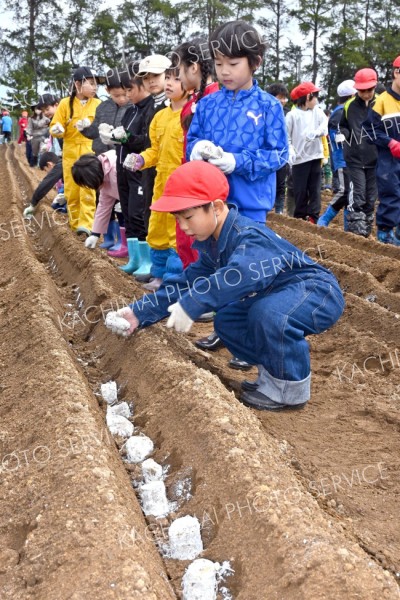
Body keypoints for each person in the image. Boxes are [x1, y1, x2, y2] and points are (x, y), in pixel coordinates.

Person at [105, 161, 345, 412]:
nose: (184, 227)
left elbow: (240, 274)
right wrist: (138, 313)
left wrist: (192, 304)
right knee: (228, 321)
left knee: (270, 314)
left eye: (188, 217)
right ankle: (272, 376)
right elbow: (186, 283)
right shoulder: (214, 245)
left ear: (216, 207)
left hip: (316, 291)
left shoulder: (248, 235)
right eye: (178, 219)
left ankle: (290, 390)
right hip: (280, 294)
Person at [186, 20, 289, 368]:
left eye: (234, 64)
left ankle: (249, 341)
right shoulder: (209, 103)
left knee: (248, 272)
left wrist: (237, 161)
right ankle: (225, 329)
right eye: (218, 64)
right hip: (212, 205)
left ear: (255, 62)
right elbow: (191, 140)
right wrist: (197, 148)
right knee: (219, 267)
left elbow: (278, 154)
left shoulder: (268, 107)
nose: (225, 71)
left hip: (249, 203)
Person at [123, 64, 188, 291]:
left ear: (189, 84)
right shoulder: (159, 116)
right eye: (167, 78)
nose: (169, 83)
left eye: (175, 79)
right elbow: (154, 150)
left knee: (176, 233)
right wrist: (140, 159)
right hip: (161, 184)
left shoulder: (191, 114)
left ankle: (173, 281)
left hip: (183, 185)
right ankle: (159, 275)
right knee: (157, 228)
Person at [174, 38, 219, 269]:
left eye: (179, 69)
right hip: (190, 180)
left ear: (194, 67)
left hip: (200, 185)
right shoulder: (197, 98)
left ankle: (199, 297)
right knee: (187, 240)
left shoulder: (212, 99)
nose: (178, 77)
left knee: (197, 244)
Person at [49, 66, 103, 235]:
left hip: (89, 151)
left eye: (96, 85)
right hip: (70, 151)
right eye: (91, 83)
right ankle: (74, 224)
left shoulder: (98, 104)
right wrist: (57, 129)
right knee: (72, 190)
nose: (95, 88)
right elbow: (55, 124)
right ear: (78, 84)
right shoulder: (66, 104)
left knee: (87, 188)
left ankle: (86, 225)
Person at [363, 57, 400, 245]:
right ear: (396, 73)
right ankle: (384, 236)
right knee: (391, 194)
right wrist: (390, 142)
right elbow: (369, 130)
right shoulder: (382, 101)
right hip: (390, 161)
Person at [338, 68, 378, 237]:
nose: (366, 94)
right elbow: (343, 125)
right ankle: (356, 233)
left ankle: (366, 231)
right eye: (362, 91)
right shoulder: (349, 106)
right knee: (358, 194)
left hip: (375, 158)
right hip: (355, 157)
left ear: (374, 87)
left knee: (371, 197)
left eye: (369, 90)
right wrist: (344, 135)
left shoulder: (381, 104)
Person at [285, 82, 328, 223]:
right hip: (299, 159)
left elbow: (324, 126)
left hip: (315, 156)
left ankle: (313, 217)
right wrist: (290, 151)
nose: (317, 99)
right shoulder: (292, 116)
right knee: (300, 190)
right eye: (315, 96)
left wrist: (316, 133)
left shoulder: (318, 111)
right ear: (308, 96)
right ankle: (300, 217)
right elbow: (287, 138)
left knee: (315, 189)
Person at [318, 80, 356, 227]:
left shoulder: (346, 111)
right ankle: (324, 219)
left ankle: (348, 228)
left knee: (351, 195)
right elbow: (337, 138)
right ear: (352, 95)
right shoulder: (339, 113)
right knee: (344, 191)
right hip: (342, 159)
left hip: (352, 160)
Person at [71, 151, 123, 250]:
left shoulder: (115, 170)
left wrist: (126, 203)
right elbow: (103, 206)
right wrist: (95, 235)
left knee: (123, 212)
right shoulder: (104, 173)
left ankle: (124, 243)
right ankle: (117, 241)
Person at [80, 68, 131, 155]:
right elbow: (94, 133)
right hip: (102, 156)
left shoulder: (135, 107)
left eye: (125, 94)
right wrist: (84, 128)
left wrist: (121, 139)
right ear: (107, 90)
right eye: (116, 95)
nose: (122, 99)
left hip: (125, 155)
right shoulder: (102, 107)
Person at [266, 83, 290, 214]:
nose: (283, 100)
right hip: (267, 153)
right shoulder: (264, 111)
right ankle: (267, 207)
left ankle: (279, 210)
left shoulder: (288, 114)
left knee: (281, 182)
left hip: (281, 153)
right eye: (280, 97)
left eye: (284, 98)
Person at [22, 152, 65, 217]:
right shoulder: (63, 162)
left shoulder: (60, 166)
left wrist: (32, 205)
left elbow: (46, 184)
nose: (47, 173)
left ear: (49, 164)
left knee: (60, 207)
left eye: (45, 170)